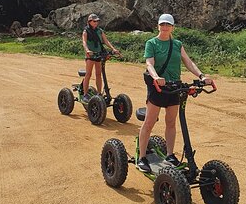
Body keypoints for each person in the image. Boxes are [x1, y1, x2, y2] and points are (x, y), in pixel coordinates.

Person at [136, 13, 211, 173]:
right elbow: (149, 63)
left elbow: (188, 61)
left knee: (171, 122)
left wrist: (201, 76)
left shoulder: (177, 44)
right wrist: (156, 76)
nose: (165, 27)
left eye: (167, 25)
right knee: (149, 123)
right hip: (158, 87)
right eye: (162, 24)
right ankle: (142, 157)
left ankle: (170, 155)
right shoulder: (152, 43)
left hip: (174, 87)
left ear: (172, 28)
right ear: (158, 26)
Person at [82, 13, 119, 101]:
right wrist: (87, 50)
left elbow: (106, 41)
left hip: (99, 54)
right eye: (94, 21)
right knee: (88, 74)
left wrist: (113, 49)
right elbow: (84, 42)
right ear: (89, 22)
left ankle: (99, 93)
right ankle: (85, 94)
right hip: (91, 55)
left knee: (99, 74)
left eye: (97, 21)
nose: (96, 23)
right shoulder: (86, 31)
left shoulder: (100, 31)